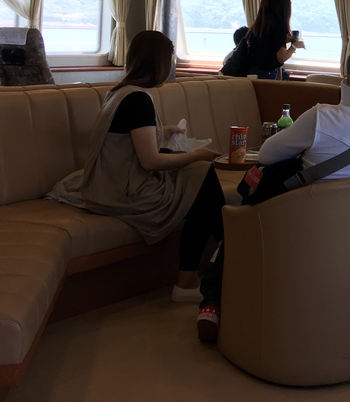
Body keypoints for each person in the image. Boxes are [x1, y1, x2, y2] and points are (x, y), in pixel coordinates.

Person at [197, 43, 350, 342]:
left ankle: (212, 301)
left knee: (251, 204)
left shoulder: (321, 118)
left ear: (349, 81)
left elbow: (268, 154)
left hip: (312, 243)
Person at [47, 31, 223, 303]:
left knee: (200, 182)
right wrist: (197, 155)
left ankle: (221, 254)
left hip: (106, 182)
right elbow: (150, 161)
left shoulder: (119, 92)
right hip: (126, 192)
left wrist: (162, 131)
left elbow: (125, 139)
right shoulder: (139, 100)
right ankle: (202, 269)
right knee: (203, 178)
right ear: (160, 63)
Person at [246, 0, 304, 80]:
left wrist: (285, 40)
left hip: (253, 73)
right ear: (284, 6)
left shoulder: (259, 24)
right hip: (267, 74)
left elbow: (268, 46)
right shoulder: (279, 25)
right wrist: (294, 46)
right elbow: (281, 58)